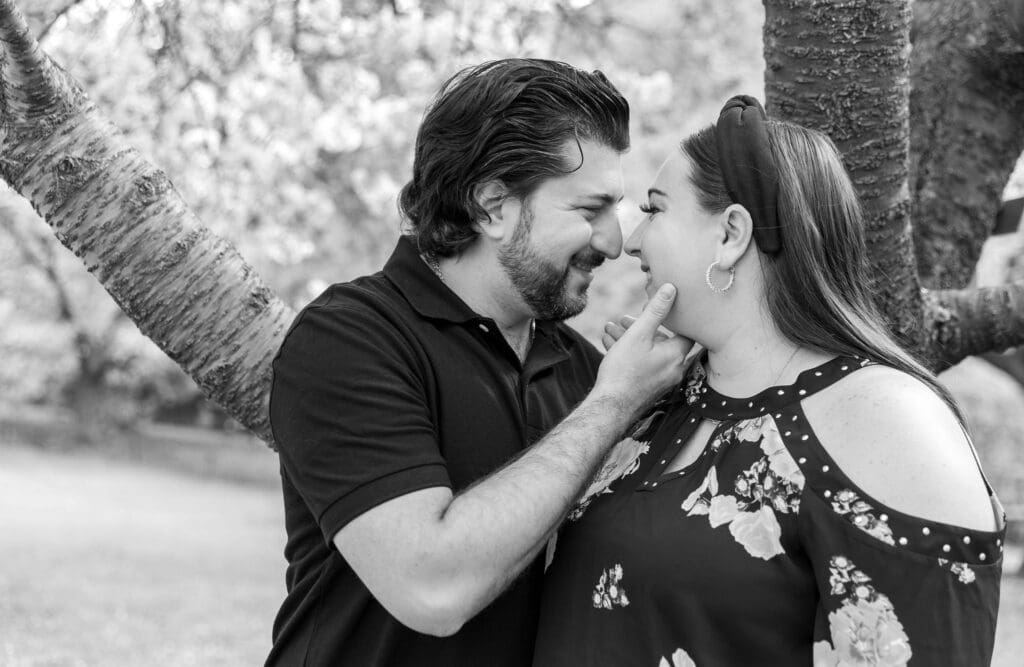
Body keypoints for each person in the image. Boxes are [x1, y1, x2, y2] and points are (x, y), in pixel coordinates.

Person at [533, 96, 1007, 666]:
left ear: (732, 232)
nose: (630, 241)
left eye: (655, 210)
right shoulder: (654, 401)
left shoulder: (886, 415)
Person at [265, 59, 692, 667]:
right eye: (588, 209)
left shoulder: (580, 366)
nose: (612, 242)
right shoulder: (348, 338)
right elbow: (430, 586)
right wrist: (615, 403)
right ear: (493, 206)